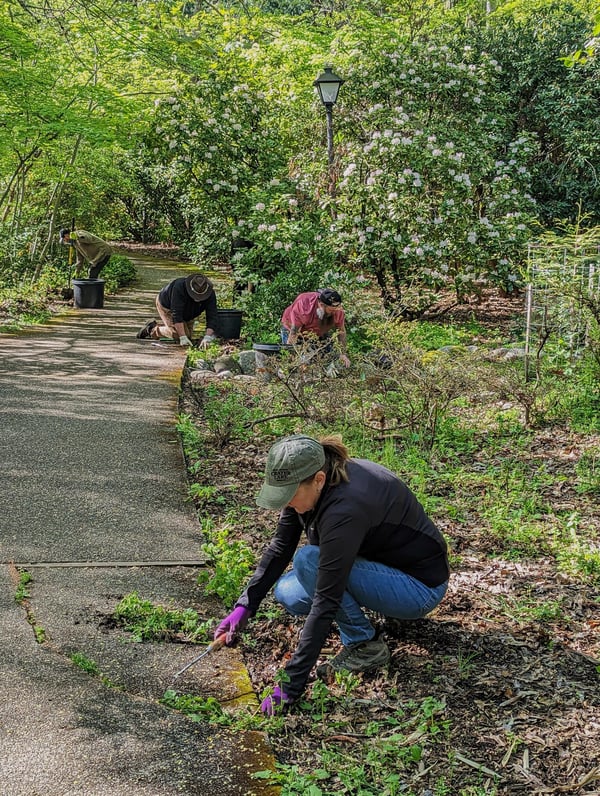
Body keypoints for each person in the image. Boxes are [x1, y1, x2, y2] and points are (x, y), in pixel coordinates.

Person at [215, 434, 450, 715]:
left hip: (417, 588)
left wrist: (290, 684)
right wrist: (246, 604)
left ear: (318, 479)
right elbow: (280, 547)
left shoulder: (345, 508)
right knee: (288, 592)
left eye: (289, 495)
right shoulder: (310, 486)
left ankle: (365, 644)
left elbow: (326, 600)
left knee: (308, 562)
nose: (285, 503)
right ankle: (370, 613)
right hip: (381, 569)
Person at [137, 273, 218, 349]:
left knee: (188, 337)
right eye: (195, 296)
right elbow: (176, 314)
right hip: (167, 306)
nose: (198, 299)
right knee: (180, 335)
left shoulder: (210, 294)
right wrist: (182, 336)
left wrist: (207, 337)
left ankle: (169, 327)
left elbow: (212, 316)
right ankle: (152, 329)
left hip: (189, 313)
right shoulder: (179, 288)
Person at [280, 289, 351, 368]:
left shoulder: (337, 310)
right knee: (299, 362)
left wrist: (343, 354)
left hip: (318, 331)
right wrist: (291, 358)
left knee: (325, 361)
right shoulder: (304, 306)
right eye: (331, 310)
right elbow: (293, 334)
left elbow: (341, 332)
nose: (334, 312)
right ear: (321, 305)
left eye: (336, 309)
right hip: (292, 330)